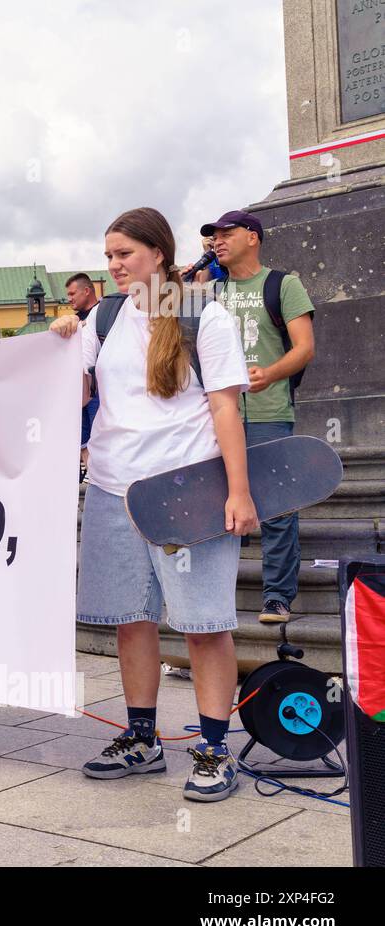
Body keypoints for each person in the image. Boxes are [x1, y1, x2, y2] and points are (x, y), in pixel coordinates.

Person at [51, 206, 258, 802]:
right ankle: (141, 739)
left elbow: (224, 406)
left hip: (187, 492)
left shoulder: (201, 314)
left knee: (202, 625)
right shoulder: (106, 316)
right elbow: (80, 386)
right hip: (114, 489)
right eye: (109, 255)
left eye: (125, 254)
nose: (114, 265)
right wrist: (61, 346)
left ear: (158, 255)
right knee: (130, 620)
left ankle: (215, 748)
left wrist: (238, 491)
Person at [202, 210, 315, 625]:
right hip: (215, 413)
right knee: (215, 502)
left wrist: (269, 373)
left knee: (277, 505)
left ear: (253, 237)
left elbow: (304, 348)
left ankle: (278, 597)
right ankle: (211, 596)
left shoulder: (282, 284)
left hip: (268, 410)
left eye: (227, 233)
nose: (218, 240)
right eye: (213, 236)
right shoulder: (207, 291)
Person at [65, 274, 102, 480]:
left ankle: (102, 480)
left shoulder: (103, 313)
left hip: (97, 388)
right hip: (78, 389)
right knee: (83, 439)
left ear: (86, 291)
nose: (69, 298)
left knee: (99, 437)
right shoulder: (74, 321)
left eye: (72, 293)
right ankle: (95, 481)